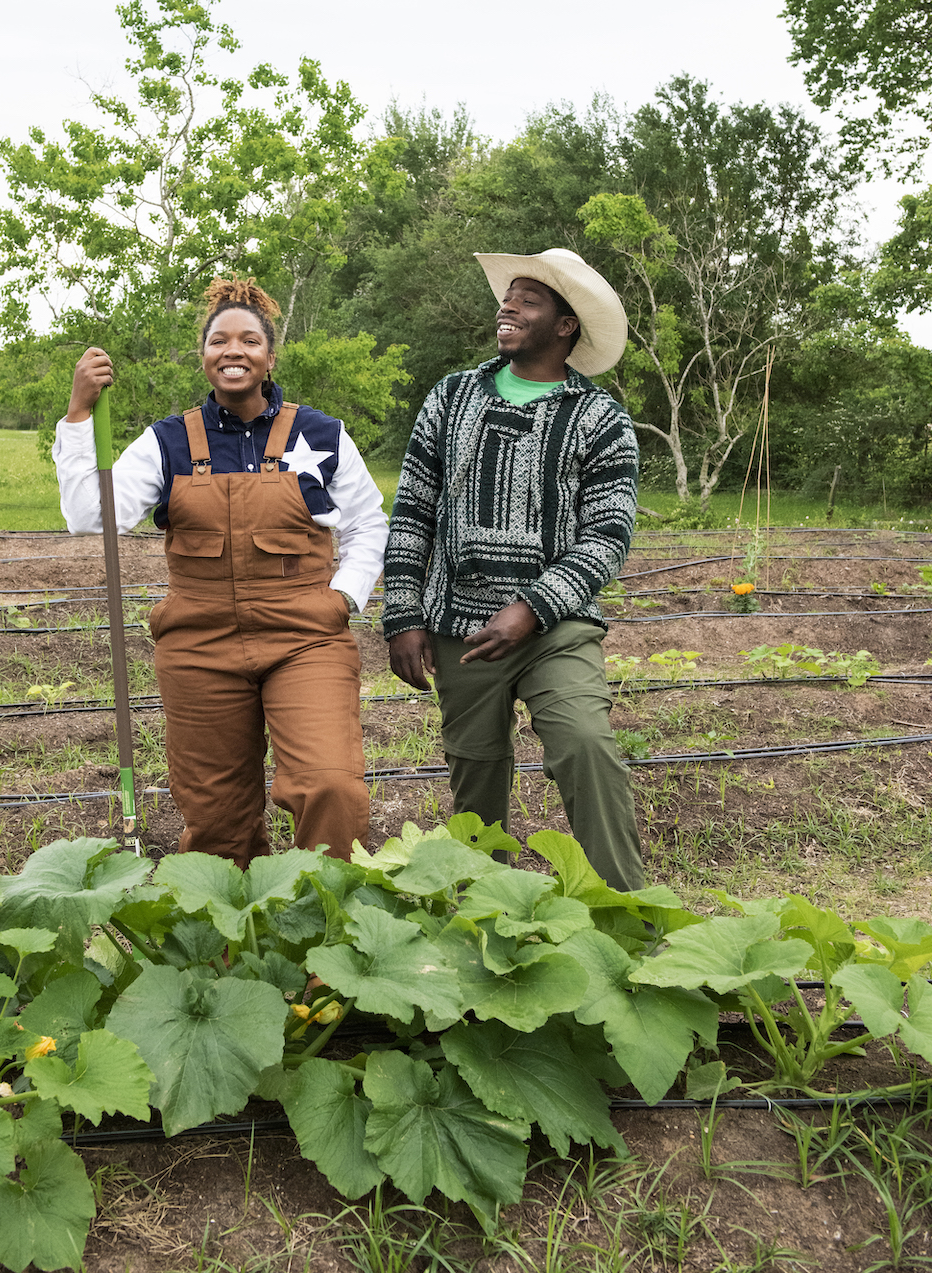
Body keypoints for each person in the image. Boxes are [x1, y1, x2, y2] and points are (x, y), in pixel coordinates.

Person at [53, 278, 388, 867]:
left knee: (330, 785)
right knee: (216, 816)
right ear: (204, 356)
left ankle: (328, 940)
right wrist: (79, 413)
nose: (234, 351)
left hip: (305, 636)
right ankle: (234, 948)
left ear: (269, 357)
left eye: (250, 340)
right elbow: (90, 516)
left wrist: (343, 599)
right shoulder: (169, 440)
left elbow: (367, 526)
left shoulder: (320, 433)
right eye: (219, 341)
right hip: (199, 642)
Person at [382, 248, 644, 890]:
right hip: (459, 630)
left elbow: (608, 537)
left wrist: (532, 609)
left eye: (529, 300)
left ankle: (627, 913)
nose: (509, 306)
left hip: (555, 629)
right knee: (477, 777)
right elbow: (414, 509)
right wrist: (403, 615)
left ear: (565, 325)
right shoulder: (451, 397)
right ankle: (487, 916)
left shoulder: (599, 418)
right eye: (510, 297)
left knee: (584, 744)